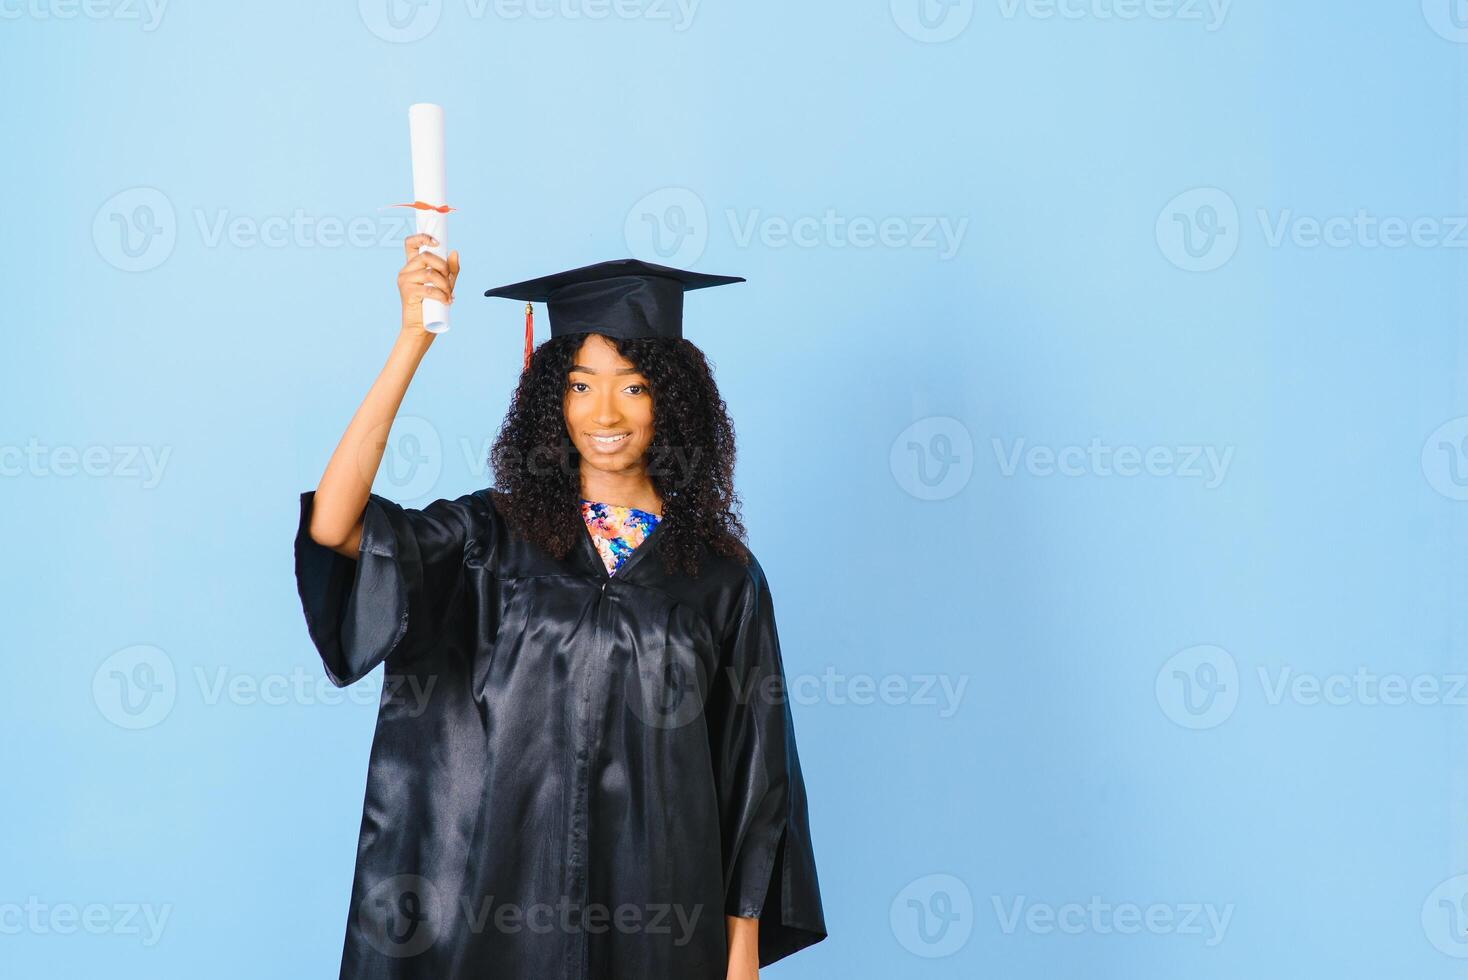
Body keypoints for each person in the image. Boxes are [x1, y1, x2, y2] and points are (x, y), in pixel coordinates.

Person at [293, 234, 827, 979]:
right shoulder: (488, 537)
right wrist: (412, 338)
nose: (603, 410)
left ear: (672, 401)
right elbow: (335, 528)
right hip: (496, 910)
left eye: (633, 385)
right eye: (579, 385)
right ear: (551, 400)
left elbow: (754, 777)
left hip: (660, 921)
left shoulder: (721, 578)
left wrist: (739, 963)